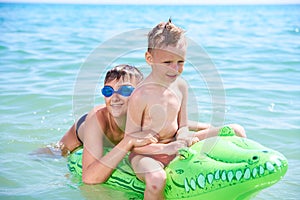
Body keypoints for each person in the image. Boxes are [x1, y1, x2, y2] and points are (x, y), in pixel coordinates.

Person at [125, 19, 246, 200]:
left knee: (236, 130)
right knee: (157, 180)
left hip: (176, 143)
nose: (175, 69)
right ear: (149, 59)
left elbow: (182, 124)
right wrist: (166, 148)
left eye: (180, 61)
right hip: (146, 153)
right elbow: (130, 142)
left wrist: (182, 137)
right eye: (167, 62)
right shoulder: (140, 95)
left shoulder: (181, 86)